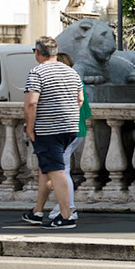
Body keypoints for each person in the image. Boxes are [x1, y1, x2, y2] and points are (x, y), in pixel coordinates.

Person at [21, 36, 82, 229]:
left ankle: (66, 215)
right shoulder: (71, 72)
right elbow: (80, 99)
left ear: (38, 53)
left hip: (48, 129)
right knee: (46, 169)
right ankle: (37, 211)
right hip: (70, 128)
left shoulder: (37, 72)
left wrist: (30, 127)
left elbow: (31, 103)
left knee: (56, 171)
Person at [44, 51, 90, 222]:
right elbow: (86, 112)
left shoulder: (58, 84)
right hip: (78, 130)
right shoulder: (77, 82)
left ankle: (69, 207)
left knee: (61, 171)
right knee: (62, 170)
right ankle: (64, 205)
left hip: (63, 131)